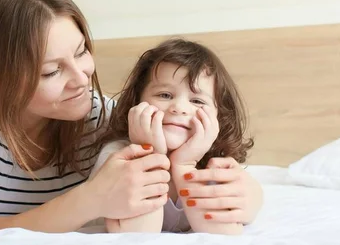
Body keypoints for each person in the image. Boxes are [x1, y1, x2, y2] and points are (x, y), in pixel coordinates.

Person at [0, 0, 263, 235]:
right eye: (52, 71)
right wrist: (91, 198)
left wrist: (248, 197)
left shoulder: (101, 114)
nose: (81, 79)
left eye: (80, 52)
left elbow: (181, 158)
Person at [92, 38, 263, 234]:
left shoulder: (216, 165)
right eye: (164, 95)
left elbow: (222, 236)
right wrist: (151, 154)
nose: (179, 108)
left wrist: (185, 165)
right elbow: (137, 236)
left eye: (197, 100)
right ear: (137, 102)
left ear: (219, 117)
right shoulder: (118, 157)